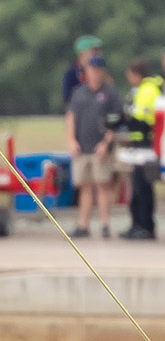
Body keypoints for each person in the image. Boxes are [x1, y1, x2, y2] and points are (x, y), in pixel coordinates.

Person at [65, 52, 124, 239]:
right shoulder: (79, 92)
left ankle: (105, 224)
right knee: (85, 185)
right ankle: (83, 224)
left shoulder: (110, 93)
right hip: (82, 146)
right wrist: (71, 140)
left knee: (103, 184)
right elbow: (71, 117)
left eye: (98, 70)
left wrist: (106, 143)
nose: (95, 73)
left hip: (100, 147)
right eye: (92, 69)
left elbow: (115, 121)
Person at [118, 57, 165, 241]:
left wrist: (124, 121)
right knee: (140, 186)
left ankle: (143, 226)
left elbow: (141, 118)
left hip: (145, 144)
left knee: (141, 187)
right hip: (142, 144)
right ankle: (139, 225)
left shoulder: (146, 90)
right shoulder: (147, 89)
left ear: (136, 74)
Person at [61, 33, 103, 106]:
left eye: (98, 52)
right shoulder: (72, 74)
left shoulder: (101, 73)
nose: (98, 55)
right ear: (82, 54)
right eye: (94, 52)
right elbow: (67, 99)